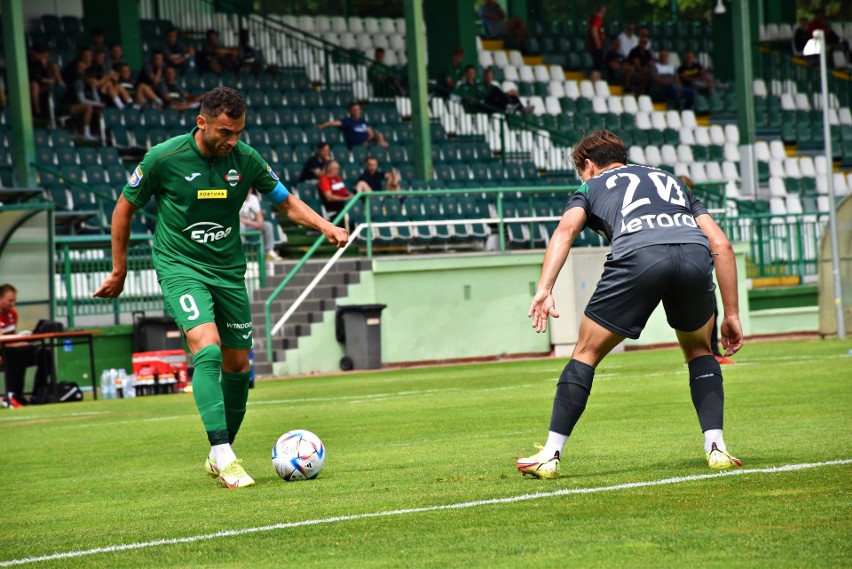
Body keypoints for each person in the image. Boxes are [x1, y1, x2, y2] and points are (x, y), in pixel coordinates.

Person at [93, 87, 348, 488]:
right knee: (206, 347)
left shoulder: (245, 159)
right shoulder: (164, 158)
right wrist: (119, 269)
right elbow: (125, 207)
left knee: (239, 366)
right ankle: (225, 455)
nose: (232, 141)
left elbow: (284, 202)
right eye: (225, 132)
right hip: (180, 266)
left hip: (228, 270)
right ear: (202, 122)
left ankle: (219, 451)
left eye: (238, 132)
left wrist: (326, 226)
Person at [518, 130, 744, 479]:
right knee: (700, 351)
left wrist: (544, 288)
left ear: (589, 166)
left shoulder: (591, 188)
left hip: (639, 255)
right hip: (694, 255)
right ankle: (717, 447)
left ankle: (549, 454)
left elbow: (565, 231)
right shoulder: (670, 180)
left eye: (582, 172)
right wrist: (731, 314)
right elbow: (721, 245)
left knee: (585, 353)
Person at [678, 175, 734, 365]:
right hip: (691, 267)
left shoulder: (693, 211)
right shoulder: (691, 213)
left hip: (698, 266)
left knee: (709, 310)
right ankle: (704, 353)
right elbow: (720, 243)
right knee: (703, 310)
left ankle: (708, 352)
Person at [0, 284, 52, 407]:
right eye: (9, 300)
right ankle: (13, 396)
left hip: (13, 349)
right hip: (3, 353)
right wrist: (18, 342)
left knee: (45, 354)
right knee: (15, 354)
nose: (12, 303)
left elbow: (12, 338)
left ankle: (38, 395)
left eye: (14, 300)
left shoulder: (13, 313)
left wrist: (24, 341)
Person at [59, 63, 104, 141]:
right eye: (90, 78)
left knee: (98, 109)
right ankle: (86, 134)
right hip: (67, 106)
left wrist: (94, 88)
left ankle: (100, 132)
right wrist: (98, 104)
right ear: (85, 76)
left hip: (79, 107)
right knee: (88, 107)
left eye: (94, 78)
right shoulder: (79, 83)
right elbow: (82, 100)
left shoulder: (90, 85)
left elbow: (97, 101)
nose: (93, 80)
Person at [317, 102, 389, 149]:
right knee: (382, 145)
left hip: (367, 143)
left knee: (380, 135)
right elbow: (333, 123)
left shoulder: (363, 121)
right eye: (354, 110)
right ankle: (381, 146)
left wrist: (367, 141)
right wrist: (323, 125)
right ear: (350, 111)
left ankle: (381, 145)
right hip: (357, 145)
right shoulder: (347, 121)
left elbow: (371, 134)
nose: (356, 111)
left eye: (357, 109)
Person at [240, 187, 283, 261]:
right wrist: (254, 223)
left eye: (248, 189)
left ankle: (268, 251)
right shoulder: (237, 198)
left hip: (251, 226)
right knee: (241, 226)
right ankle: (240, 254)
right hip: (239, 225)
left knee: (267, 225)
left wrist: (260, 223)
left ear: (251, 190)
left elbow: (258, 214)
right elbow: (236, 217)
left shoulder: (253, 198)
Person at [28, 44, 64, 119]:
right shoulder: (27, 60)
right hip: (30, 84)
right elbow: (33, 77)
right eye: (40, 54)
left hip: (42, 84)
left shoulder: (40, 62)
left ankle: (61, 84)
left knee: (53, 67)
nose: (42, 56)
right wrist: (46, 80)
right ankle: (37, 111)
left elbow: (44, 74)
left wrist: (44, 65)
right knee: (35, 85)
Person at [587, 5, 607, 77]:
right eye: (603, 13)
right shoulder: (597, 19)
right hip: (596, 48)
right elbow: (594, 30)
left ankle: (596, 83)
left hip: (594, 47)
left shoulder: (592, 19)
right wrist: (598, 43)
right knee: (597, 68)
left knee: (598, 67)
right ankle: (595, 84)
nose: (603, 15)